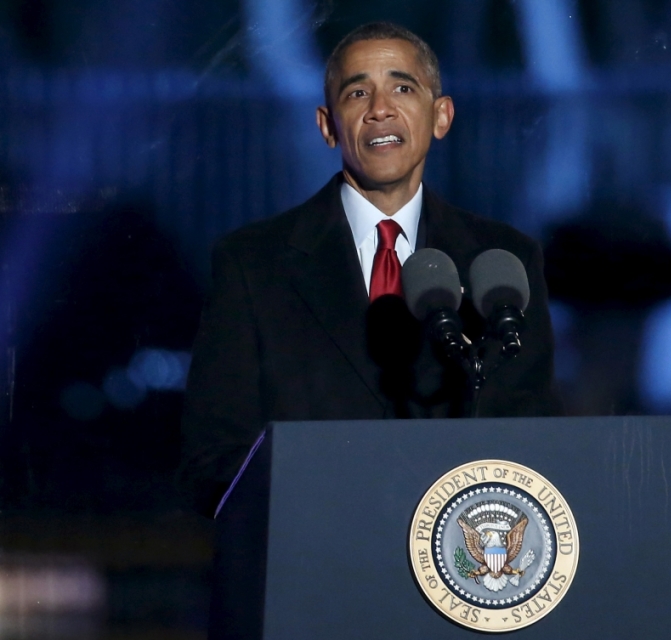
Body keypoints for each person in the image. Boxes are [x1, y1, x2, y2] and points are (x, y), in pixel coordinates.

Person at [179, 22, 564, 517]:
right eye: (358, 92)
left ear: (441, 115)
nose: (380, 109)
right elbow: (213, 458)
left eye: (402, 88)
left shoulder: (504, 264)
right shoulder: (252, 263)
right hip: (312, 567)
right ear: (327, 125)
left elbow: (533, 443)